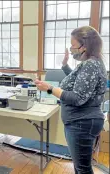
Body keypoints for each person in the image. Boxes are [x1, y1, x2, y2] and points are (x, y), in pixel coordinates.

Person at [35, 26, 107, 174]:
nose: (71, 49)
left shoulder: (90, 64)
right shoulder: (90, 63)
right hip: (80, 122)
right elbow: (78, 81)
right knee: (80, 167)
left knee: (83, 169)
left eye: (73, 46)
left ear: (84, 46)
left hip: (82, 123)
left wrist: (49, 88)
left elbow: (78, 97)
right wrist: (64, 65)